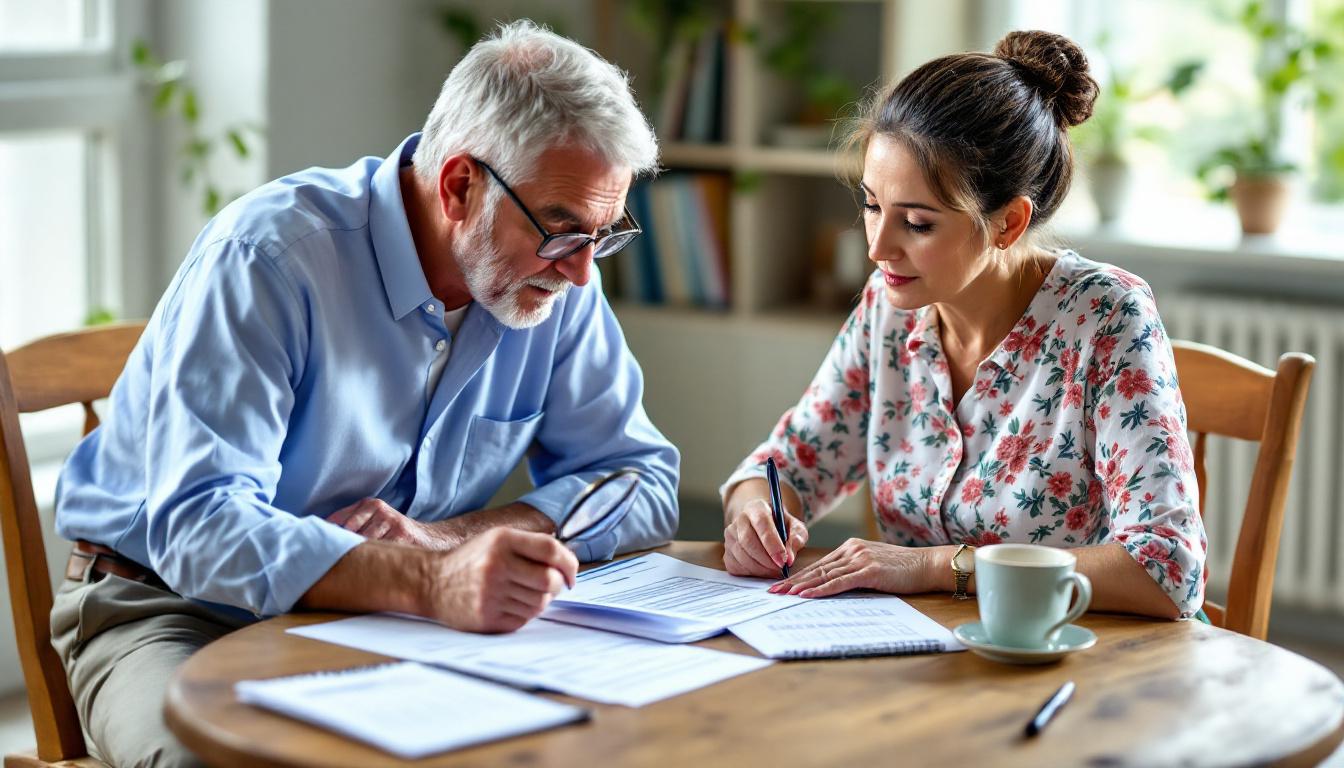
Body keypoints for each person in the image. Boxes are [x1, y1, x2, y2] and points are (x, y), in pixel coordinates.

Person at [51, 20, 679, 767]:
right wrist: (429, 581)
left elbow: (639, 480)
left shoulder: (559, 281)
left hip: (380, 615)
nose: (581, 272)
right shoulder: (269, 259)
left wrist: (447, 541)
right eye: (561, 228)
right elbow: (200, 529)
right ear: (459, 185)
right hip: (168, 609)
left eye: (603, 235)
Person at [720, 30, 1205, 621]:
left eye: (918, 224)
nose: (878, 248)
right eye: (873, 205)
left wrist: (936, 566)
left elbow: (1167, 570)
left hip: (1080, 658)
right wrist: (755, 511)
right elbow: (790, 463)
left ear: (1008, 223)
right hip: (926, 654)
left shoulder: (1105, 317)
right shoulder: (889, 306)